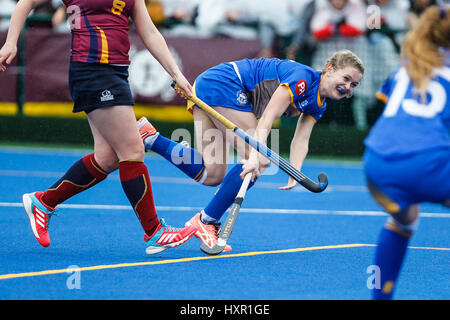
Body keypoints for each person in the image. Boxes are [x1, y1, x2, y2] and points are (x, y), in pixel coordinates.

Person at [0, 0, 197, 255]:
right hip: (91, 69)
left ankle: (43, 202)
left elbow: (149, 32)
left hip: (117, 71)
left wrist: (177, 75)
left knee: (107, 158)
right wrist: (10, 41)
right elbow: (25, 3)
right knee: (132, 149)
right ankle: (155, 231)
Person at [138, 50, 364, 252]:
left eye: (354, 85)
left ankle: (150, 137)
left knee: (212, 174)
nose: (348, 87)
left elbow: (301, 139)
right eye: (346, 78)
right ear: (329, 69)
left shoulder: (319, 104)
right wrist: (255, 155)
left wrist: (295, 172)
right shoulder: (303, 79)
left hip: (211, 84)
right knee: (261, 161)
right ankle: (206, 221)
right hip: (225, 84)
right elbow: (268, 118)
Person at [363, 5, 449, 299]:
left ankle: (380, 297)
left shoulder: (407, 68)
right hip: (428, 164)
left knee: (405, 220)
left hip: (377, 165)